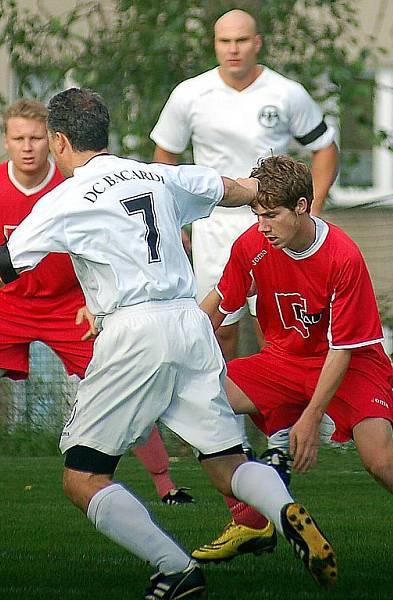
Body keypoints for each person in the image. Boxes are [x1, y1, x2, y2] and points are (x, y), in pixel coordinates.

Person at [0, 87, 337, 598]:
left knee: (83, 476)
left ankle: (174, 568)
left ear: (60, 141)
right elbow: (234, 189)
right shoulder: (160, 175)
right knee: (227, 465)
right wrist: (273, 187)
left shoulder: (65, 199)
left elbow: (0, 269)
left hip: (134, 332)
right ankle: (284, 510)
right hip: (189, 323)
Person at [194, 155, 393, 585]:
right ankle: (250, 520)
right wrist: (176, 349)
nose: (263, 226)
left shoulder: (342, 255)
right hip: (284, 359)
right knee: (199, 400)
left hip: (353, 364)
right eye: (257, 214)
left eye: (271, 215)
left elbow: (342, 349)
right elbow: (217, 308)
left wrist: (312, 417)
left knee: (381, 462)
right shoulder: (251, 246)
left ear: (301, 206)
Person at [0, 98, 193, 507]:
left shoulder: (74, 185)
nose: (27, 146)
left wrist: (94, 300)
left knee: (126, 385)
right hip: (6, 307)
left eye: (36, 137)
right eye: (18, 137)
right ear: (5, 141)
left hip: (70, 307)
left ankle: (167, 485)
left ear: (55, 141)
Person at [151, 6, 339, 477]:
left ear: (257, 43)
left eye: (241, 40)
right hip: (216, 229)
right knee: (220, 328)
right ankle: (225, 437)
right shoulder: (190, 94)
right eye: (223, 41)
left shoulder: (284, 92)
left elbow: (325, 148)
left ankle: (279, 436)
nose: (232, 49)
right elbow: (164, 159)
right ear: (215, 46)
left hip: (277, 227)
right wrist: (177, 224)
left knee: (276, 332)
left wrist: (308, 212)